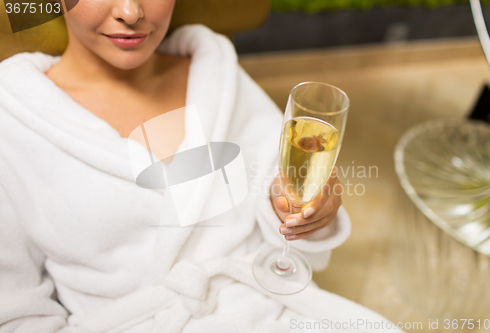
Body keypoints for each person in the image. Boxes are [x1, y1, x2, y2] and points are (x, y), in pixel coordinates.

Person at [0, 1, 402, 332]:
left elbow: (280, 192)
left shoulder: (217, 76)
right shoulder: (15, 117)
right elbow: (14, 306)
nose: (129, 11)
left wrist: (306, 213)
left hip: (266, 312)